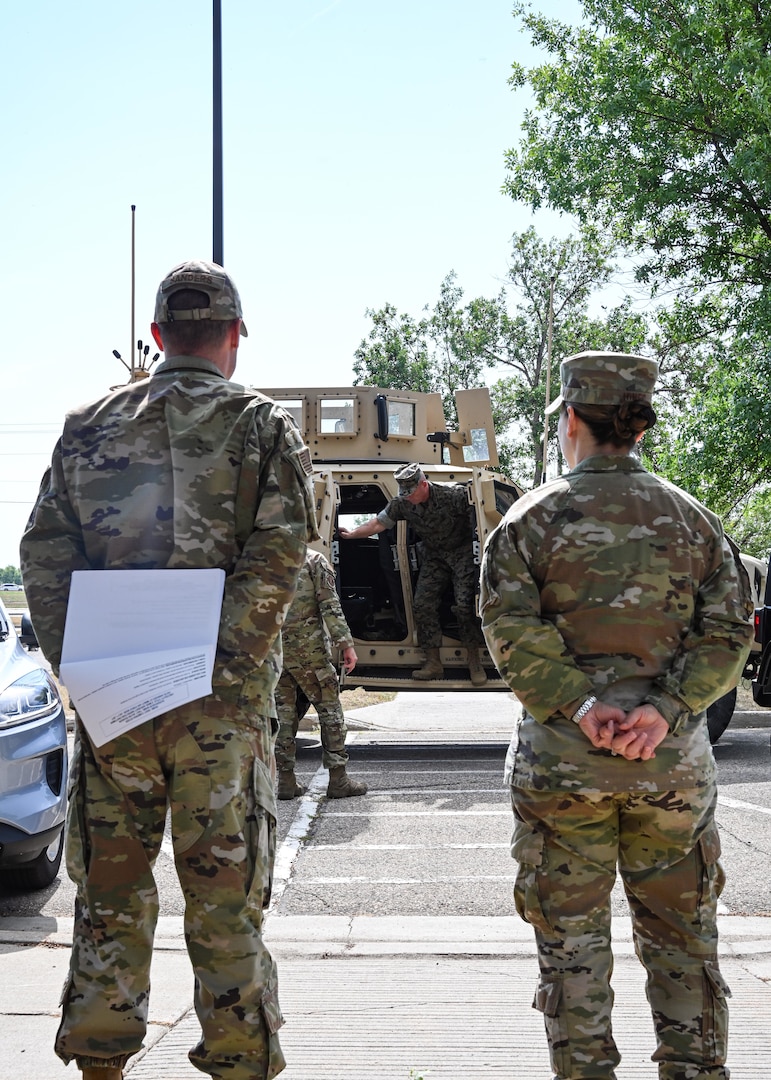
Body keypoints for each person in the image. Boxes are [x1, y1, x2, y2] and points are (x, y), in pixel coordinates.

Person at [20, 259, 318, 1080]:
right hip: (218, 716)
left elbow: (45, 551)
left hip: (114, 698)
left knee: (110, 896)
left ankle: (100, 1064)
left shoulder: (88, 424)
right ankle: (238, 1060)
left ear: (156, 338)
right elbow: (281, 556)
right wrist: (222, 666)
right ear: (232, 338)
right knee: (226, 899)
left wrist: (78, 661)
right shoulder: (260, 427)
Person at [479, 351, 753, 1080]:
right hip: (669, 770)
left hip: (563, 767)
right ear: (637, 425)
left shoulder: (526, 521)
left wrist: (579, 703)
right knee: (683, 942)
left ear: (571, 418)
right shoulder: (692, 519)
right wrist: (662, 710)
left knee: (570, 947)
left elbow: (508, 631)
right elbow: (727, 634)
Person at [338, 462, 487, 685]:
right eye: (404, 493)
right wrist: (351, 535)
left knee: (465, 605)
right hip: (435, 555)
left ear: (423, 485)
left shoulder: (452, 495)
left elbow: (481, 519)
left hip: (462, 553)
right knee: (422, 604)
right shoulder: (402, 504)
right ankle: (433, 663)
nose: (407, 497)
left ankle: (474, 661)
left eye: (410, 492)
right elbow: (377, 524)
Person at [274, 548, 368, 800]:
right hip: (309, 651)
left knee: (282, 715)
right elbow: (329, 604)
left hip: (274, 651)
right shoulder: (313, 559)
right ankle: (338, 780)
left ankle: (285, 780)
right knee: (330, 711)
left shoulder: (262, 557)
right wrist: (345, 643)